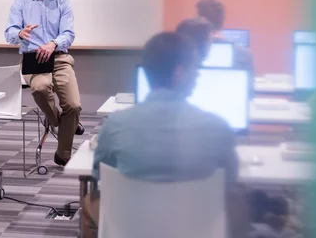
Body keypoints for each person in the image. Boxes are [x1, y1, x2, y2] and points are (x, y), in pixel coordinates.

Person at [84, 32, 248, 237]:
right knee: (237, 200)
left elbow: (99, 175)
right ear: (180, 74)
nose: (197, 76)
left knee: (90, 200)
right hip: (195, 229)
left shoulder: (115, 124)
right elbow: (230, 182)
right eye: (195, 70)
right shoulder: (218, 127)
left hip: (134, 228)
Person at [4, 0, 83, 166]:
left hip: (59, 58)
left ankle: (63, 154)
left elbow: (68, 33)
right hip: (33, 60)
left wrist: (53, 44)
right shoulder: (21, 2)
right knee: (40, 87)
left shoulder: (63, 3)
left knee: (73, 106)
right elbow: (9, 33)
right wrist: (20, 33)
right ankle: (63, 122)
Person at [197, 0, 255, 95]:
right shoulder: (245, 55)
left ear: (199, 20)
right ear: (222, 20)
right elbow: (249, 93)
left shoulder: (190, 52)